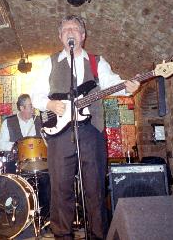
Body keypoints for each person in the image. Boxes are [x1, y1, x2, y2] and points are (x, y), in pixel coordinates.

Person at [31, 15, 140, 240]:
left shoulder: (96, 62)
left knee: (95, 187)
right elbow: (36, 95)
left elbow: (113, 85)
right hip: (59, 134)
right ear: (60, 37)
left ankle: (99, 235)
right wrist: (50, 104)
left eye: (75, 29)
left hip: (91, 131)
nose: (70, 32)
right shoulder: (48, 63)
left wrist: (129, 87)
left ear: (82, 35)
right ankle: (62, 235)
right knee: (60, 188)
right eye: (65, 29)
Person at [0, 94, 50, 219]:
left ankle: (45, 216)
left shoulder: (40, 120)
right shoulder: (8, 122)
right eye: (30, 107)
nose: (33, 110)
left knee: (47, 179)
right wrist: (18, 146)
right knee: (11, 182)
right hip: (16, 163)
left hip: (38, 163)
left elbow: (48, 141)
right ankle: (17, 215)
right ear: (21, 108)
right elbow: (0, 144)